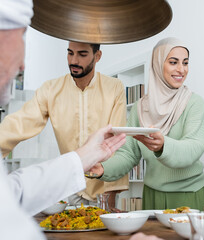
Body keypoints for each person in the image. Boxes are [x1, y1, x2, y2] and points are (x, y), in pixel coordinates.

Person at [0, 40, 129, 207]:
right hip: (71, 184)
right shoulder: (50, 89)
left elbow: (117, 142)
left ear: (97, 56)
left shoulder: (114, 88)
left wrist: (111, 194)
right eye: (70, 53)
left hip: (103, 188)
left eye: (82, 54)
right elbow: (19, 124)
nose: (73, 61)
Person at [90, 37, 204, 210]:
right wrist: (102, 169)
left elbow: (194, 148)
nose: (181, 69)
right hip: (152, 195)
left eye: (185, 63)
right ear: (158, 64)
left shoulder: (194, 102)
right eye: (173, 62)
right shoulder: (141, 107)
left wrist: (162, 146)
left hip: (188, 195)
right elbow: (129, 155)